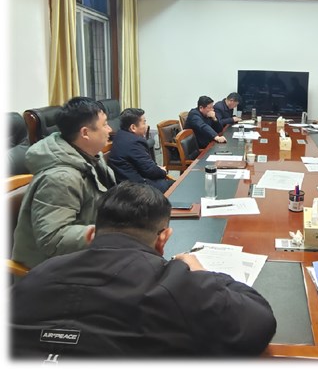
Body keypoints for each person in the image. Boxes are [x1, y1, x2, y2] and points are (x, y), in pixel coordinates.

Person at [11, 181, 277, 358]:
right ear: (163, 239)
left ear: (91, 234)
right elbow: (259, 322)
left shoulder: (34, 278)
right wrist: (201, 272)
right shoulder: (174, 285)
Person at [11, 97, 116, 270]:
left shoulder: (91, 157)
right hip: (52, 270)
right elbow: (53, 239)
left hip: (86, 251)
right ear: (85, 133)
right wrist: (108, 233)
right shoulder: (60, 178)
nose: (110, 129)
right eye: (104, 124)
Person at [108, 108, 174, 193]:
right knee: (177, 186)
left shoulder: (121, 135)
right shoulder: (134, 142)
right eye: (144, 122)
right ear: (133, 127)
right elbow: (150, 171)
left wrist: (157, 168)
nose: (146, 125)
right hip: (138, 190)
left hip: (129, 184)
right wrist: (163, 171)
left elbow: (146, 166)